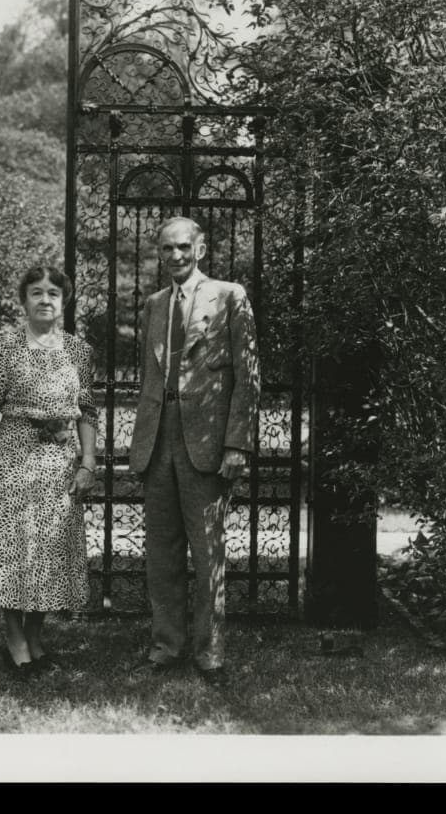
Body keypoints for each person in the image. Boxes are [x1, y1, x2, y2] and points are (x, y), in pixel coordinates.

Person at [129, 216, 260, 686]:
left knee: (208, 555)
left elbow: (248, 378)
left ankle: (209, 655)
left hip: (206, 446)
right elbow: (150, 381)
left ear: (200, 249)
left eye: (183, 247)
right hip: (158, 444)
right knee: (161, 555)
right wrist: (139, 445)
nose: (175, 256)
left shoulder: (230, 296)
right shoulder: (154, 305)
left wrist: (237, 444)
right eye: (166, 249)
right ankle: (166, 646)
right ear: (159, 253)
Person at [0, 265, 98, 679]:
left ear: (65, 300)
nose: (46, 300)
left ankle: (35, 636)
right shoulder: (2, 347)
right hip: (15, 458)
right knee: (12, 547)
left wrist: (88, 463)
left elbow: (88, 411)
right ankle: (14, 640)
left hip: (59, 462)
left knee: (51, 549)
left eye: (54, 294)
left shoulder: (79, 351)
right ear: (23, 300)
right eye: (37, 293)